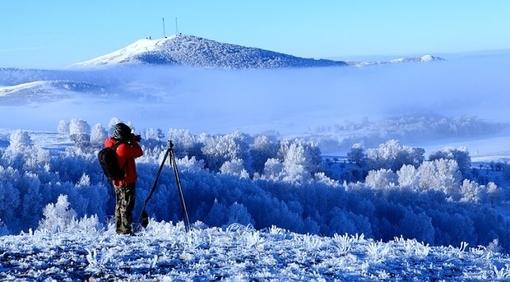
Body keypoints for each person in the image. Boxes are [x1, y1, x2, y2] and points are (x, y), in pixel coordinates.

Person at [104, 122, 143, 235]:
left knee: (119, 205)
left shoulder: (109, 143)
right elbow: (139, 152)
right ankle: (125, 230)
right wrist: (133, 141)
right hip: (126, 181)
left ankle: (119, 229)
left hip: (116, 181)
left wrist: (128, 139)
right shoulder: (123, 147)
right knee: (127, 206)